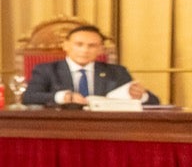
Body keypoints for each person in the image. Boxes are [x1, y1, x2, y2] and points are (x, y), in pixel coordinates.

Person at [21, 24, 159, 106]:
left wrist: (141, 96)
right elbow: (29, 97)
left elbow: (154, 102)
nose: (85, 50)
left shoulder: (117, 72)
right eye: (79, 45)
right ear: (66, 46)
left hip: (106, 131)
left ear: (101, 49)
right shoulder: (46, 70)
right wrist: (64, 97)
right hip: (61, 129)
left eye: (92, 46)